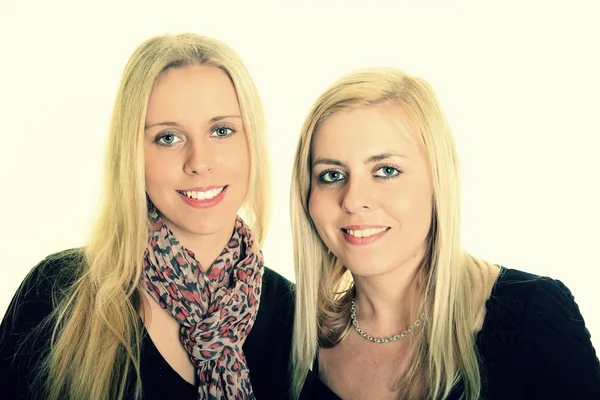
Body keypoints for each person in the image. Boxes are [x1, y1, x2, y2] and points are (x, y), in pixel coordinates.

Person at [0, 33, 295, 400]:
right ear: (133, 154)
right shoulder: (56, 293)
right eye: (168, 137)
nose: (200, 163)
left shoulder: (293, 314)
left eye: (221, 131)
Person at [288, 66, 600, 399]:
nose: (353, 200)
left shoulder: (533, 314)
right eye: (332, 175)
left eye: (386, 170)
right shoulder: (295, 343)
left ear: (438, 182)